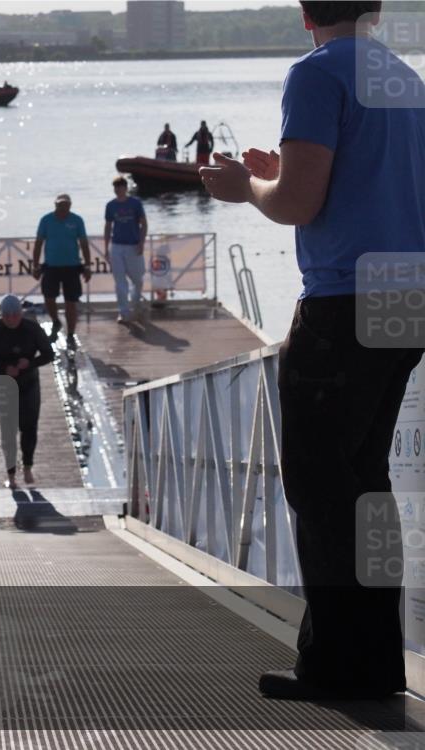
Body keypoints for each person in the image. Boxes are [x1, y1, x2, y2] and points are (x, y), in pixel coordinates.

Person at [201, 0, 424, 701]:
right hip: (405, 297)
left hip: (343, 301)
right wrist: (279, 177)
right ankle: (378, 661)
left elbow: (296, 203)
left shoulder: (317, 74)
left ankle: (334, 668)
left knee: (321, 488)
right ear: (378, 10)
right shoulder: (406, 80)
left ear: (304, 14)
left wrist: (247, 186)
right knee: (365, 485)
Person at [0, 295, 55, 489]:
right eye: (7, 316)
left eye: (15, 315)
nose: (11, 319)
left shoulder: (32, 329)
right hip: (0, 382)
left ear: (21, 313)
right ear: (1, 315)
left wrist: (31, 362)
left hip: (27, 382)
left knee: (29, 426)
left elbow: (48, 354)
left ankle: (27, 466)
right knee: (8, 428)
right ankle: (11, 475)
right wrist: (3, 368)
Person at [32, 194, 93, 348]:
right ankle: (55, 321)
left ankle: (71, 333)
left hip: (72, 267)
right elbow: (38, 243)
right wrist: (35, 265)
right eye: (60, 205)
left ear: (70, 205)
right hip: (51, 266)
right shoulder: (46, 220)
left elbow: (84, 243)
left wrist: (87, 266)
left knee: (70, 302)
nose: (62, 208)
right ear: (55, 205)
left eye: (65, 205)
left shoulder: (77, 220)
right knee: (48, 297)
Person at [104, 176, 148, 324]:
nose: (118, 190)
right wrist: (106, 246)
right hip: (117, 246)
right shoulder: (110, 205)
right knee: (120, 281)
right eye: (115, 187)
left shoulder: (135, 203)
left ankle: (136, 302)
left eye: (120, 187)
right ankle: (123, 312)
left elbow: (143, 224)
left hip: (133, 246)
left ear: (125, 188)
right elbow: (108, 226)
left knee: (138, 279)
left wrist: (141, 242)